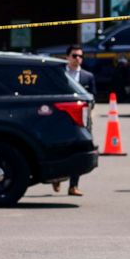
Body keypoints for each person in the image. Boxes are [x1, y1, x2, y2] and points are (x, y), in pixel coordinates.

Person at [53, 44, 96, 197]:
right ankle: (56, 177)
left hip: (80, 119)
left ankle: (74, 185)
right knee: (59, 149)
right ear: (67, 57)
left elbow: (92, 98)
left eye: (80, 56)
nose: (78, 59)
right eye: (74, 56)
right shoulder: (60, 74)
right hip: (61, 118)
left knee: (78, 151)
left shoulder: (87, 76)